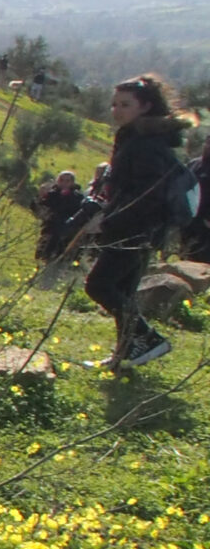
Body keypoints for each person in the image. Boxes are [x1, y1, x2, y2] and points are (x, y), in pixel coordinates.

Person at [83, 73, 194, 370]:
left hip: (133, 230)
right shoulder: (138, 138)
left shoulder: (146, 145)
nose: (116, 110)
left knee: (99, 286)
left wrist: (110, 220)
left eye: (125, 104)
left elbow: (146, 196)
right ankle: (124, 356)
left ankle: (149, 339)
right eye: (114, 104)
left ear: (145, 107)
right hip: (141, 231)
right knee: (125, 292)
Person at [34, 169, 87, 266]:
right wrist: (40, 196)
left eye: (67, 181)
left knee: (56, 255)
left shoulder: (78, 197)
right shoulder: (51, 194)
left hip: (65, 230)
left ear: (72, 183)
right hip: (49, 227)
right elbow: (38, 207)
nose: (64, 183)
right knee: (41, 251)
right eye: (61, 180)